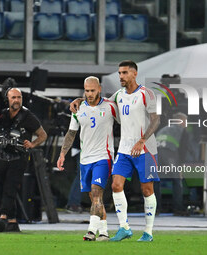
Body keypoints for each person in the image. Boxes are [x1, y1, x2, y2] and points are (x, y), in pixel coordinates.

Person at [70, 60, 160, 242]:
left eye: (125, 73)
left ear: (134, 74)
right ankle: (124, 228)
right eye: (119, 73)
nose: (121, 76)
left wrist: (142, 140)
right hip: (125, 149)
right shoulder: (118, 95)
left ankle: (148, 232)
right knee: (116, 186)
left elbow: (156, 119)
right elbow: (97, 102)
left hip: (145, 149)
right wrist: (80, 100)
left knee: (146, 189)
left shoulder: (146, 94)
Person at [57, 76, 119, 241]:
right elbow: (71, 133)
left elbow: (125, 122)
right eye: (87, 90)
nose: (90, 94)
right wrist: (63, 153)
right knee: (93, 198)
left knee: (96, 192)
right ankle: (104, 232)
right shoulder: (78, 108)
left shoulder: (110, 106)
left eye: (93, 90)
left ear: (99, 89)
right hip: (85, 159)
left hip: (103, 156)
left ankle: (91, 231)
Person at [0, 87, 47, 232]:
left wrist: (32, 144)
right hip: (2, 156)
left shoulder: (28, 116)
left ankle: (3, 217)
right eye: (13, 98)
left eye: (19, 97)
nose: (16, 100)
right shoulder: (2, 115)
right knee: (3, 188)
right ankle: (13, 221)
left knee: (10, 187)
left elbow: (43, 135)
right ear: (7, 99)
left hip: (19, 157)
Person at [155, 112, 189, 215]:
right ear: (181, 121)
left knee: (156, 181)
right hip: (169, 153)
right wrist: (181, 166)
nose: (186, 124)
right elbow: (183, 148)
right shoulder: (182, 130)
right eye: (185, 121)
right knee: (177, 181)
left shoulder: (163, 129)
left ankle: (155, 209)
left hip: (156, 153)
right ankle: (178, 209)